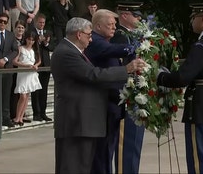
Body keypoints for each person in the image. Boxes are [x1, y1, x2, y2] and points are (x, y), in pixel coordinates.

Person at [51, 17, 145, 174]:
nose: (91, 38)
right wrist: (126, 70)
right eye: (89, 35)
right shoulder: (66, 53)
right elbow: (92, 74)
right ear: (79, 34)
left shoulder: (72, 51)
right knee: (74, 166)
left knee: (83, 165)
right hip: (76, 121)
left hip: (82, 121)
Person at [156, 2, 203, 174]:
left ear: (202, 19)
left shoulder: (202, 45)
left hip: (200, 103)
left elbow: (183, 77)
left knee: (199, 156)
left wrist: (159, 76)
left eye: (193, 18)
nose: (191, 22)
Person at [84, 8, 136, 174]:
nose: (114, 27)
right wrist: (139, 46)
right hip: (103, 106)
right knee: (103, 153)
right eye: (110, 24)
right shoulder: (96, 41)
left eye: (115, 24)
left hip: (110, 105)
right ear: (98, 26)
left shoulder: (104, 41)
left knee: (107, 151)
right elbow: (115, 51)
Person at [110, 2, 145, 174]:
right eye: (135, 15)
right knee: (127, 146)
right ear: (124, 15)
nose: (139, 18)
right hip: (126, 97)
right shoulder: (120, 37)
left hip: (136, 96)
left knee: (134, 146)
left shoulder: (133, 36)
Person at [12, 30, 41, 126]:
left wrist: (35, 65)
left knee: (27, 96)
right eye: (29, 39)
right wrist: (25, 66)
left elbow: (39, 60)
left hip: (31, 74)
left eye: (33, 40)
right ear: (26, 39)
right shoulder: (20, 48)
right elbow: (15, 61)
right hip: (23, 73)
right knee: (22, 95)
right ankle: (17, 117)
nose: (30, 42)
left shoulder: (34, 50)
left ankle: (20, 117)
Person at [31, 13, 54, 122]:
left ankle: (43, 113)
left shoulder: (48, 33)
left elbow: (52, 47)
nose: (42, 25)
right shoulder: (31, 33)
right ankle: (37, 113)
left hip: (46, 65)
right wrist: (38, 42)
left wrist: (45, 43)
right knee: (36, 91)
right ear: (36, 22)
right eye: (40, 22)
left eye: (43, 23)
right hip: (36, 64)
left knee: (44, 90)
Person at [10, 20, 26, 120]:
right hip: (14, 68)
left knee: (23, 92)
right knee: (14, 91)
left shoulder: (26, 40)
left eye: (22, 28)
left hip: (23, 69)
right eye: (19, 27)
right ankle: (13, 114)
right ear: (15, 28)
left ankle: (20, 114)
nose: (20, 29)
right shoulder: (11, 39)